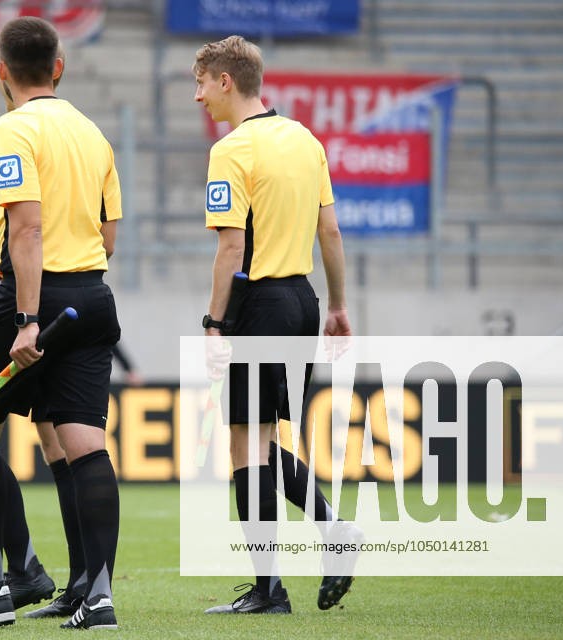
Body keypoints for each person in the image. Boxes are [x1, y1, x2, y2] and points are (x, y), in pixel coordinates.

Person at [0, 16, 122, 629]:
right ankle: (99, 596)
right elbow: (105, 236)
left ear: (2, 70)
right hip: (92, 296)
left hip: (30, 303)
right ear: (58, 67)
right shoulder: (92, 134)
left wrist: (27, 319)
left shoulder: (12, 129)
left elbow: (28, 229)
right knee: (86, 445)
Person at [194, 35, 361, 615]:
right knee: (258, 441)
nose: (198, 97)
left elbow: (231, 247)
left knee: (245, 447)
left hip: (260, 305)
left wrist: (215, 323)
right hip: (303, 301)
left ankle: (271, 590)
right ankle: (330, 536)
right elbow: (331, 233)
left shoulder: (232, 150)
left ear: (225, 81)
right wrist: (338, 306)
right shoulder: (305, 139)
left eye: (201, 84)